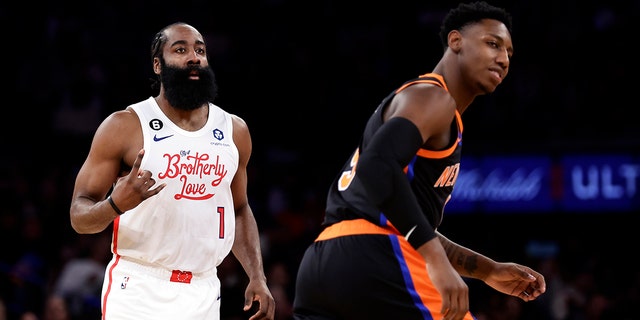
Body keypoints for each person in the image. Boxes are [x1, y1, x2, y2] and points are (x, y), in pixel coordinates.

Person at [292, 2, 546, 320]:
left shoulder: (426, 105)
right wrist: (435, 259)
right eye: (492, 43)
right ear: (455, 41)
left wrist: (487, 270)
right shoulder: (433, 97)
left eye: (509, 51)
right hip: (376, 256)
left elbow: (405, 219)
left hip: (324, 263)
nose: (503, 59)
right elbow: (377, 165)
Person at [69, 22, 275, 320]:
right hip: (139, 287)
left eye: (200, 50)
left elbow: (239, 208)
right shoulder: (125, 126)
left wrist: (257, 275)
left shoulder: (234, 130)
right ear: (157, 64)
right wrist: (115, 205)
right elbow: (79, 217)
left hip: (203, 289)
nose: (194, 57)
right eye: (180, 49)